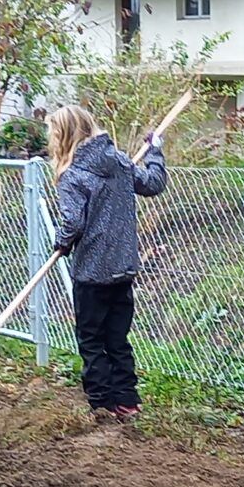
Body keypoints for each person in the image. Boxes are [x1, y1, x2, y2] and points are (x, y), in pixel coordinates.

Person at [46, 105, 167, 426]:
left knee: (91, 340)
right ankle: (126, 401)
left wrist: (62, 242)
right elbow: (153, 183)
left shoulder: (72, 174)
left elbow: (73, 222)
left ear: (64, 136)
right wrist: (155, 151)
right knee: (117, 338)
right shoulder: (120, 161)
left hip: (91, 272)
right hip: (123, 268)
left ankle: (101, 403)